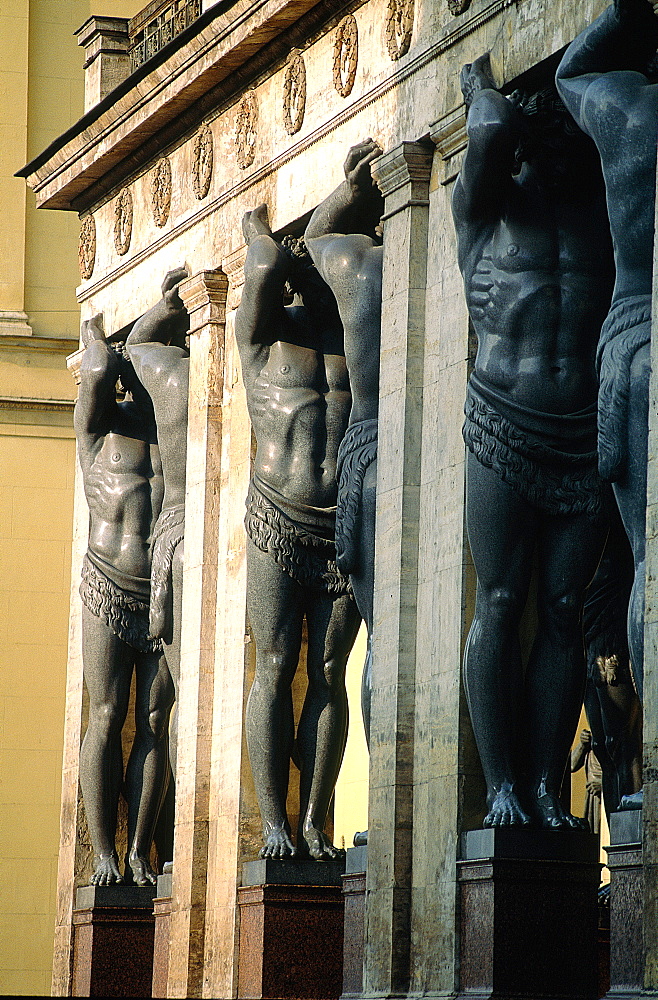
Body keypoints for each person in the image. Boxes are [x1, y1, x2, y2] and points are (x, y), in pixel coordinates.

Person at [452, 54, 615, 828]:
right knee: (503, 599)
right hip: (503, 424)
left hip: (579, 435)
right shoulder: (483, 211)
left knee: (560, 609)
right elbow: (483, 128)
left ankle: (548, 785)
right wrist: (488, 91)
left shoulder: (598, 209)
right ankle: (500, 784)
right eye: (535, 119)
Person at [236, 205, 361, 860]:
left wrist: (337, 210)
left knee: (332, 672)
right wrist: (265, 236)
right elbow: (260, 263)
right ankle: (274, 822)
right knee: (277, 665)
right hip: (277, 517)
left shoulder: (349, 332)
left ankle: (313, 818)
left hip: (339, 525)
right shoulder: (259, 339)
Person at [556, 3, 658, 796]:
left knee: (645, 565)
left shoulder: (631, 111)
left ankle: (644, 768)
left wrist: (623, 15)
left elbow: (568, 71)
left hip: (628, 345)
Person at [75, 315, 173, 886]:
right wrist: (110, 341)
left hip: (158, 587)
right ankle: (104, 853)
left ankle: (138, 848)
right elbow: (94, 371)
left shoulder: (168, 430)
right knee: (108, 714)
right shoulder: (97, 431)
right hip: (107, 582)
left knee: (155, 720)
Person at [305, 138, 384, 756]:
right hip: (403, 446)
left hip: (362, 455)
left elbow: (314, 234)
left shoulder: (358, 271)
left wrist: (348, 188)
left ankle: (385, 779)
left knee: (379, 633)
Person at [126, 268, 190, 782]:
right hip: (221, 524)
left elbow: (133, 341)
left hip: (178, 530)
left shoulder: (170, 375)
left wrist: (165, 306)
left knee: (183, 692)